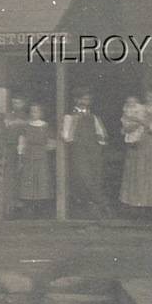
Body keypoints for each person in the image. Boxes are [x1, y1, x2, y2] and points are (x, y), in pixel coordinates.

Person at [61, 89, 110, 219]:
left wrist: (98, 142)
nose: (84, 102)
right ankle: (102, 204)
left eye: (87, 99)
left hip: (93, 152)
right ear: (76, 100)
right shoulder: (69, 117)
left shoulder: (94, 117)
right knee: (84, 179)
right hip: (79, 152)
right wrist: (75, 123)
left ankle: (96, 210)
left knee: (96, 178)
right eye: (82, 99)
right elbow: (66, 137)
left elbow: (103, 135)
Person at [119, 91, 152, 216]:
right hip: (136, 142)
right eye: (147, 96)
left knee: (151, 174)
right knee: (135, 173)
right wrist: (128, 128)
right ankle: (135, 206)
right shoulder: (138, 109)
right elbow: (125, 125)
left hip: (151, 144)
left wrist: (141, 122)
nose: (149, 99)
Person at [16, 104, 54, 217]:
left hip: (42, 156)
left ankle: (41, 207)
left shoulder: (46, 126)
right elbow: (22, 141)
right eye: (32, 111)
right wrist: (21, 154)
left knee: (41, 179)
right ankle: (29, 207)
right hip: (29, 155)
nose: (34, 114)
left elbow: (51, 142)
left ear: (41, 113)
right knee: (28, 179)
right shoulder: (26, 126)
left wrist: (48, 146)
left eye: (36, 111)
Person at [0, 95, 30, 218]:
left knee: (22, 176)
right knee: (10, 177)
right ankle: (10, 207)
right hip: (11, 148)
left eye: (18, 102)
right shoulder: (8, 117)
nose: (16, 105)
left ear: (23, 104)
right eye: (14, 102)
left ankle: (21, 206)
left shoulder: (28, 118)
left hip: (23, 149)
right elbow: (4, 133)